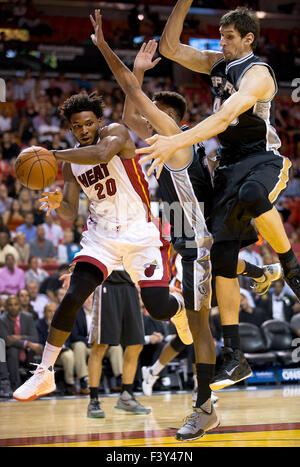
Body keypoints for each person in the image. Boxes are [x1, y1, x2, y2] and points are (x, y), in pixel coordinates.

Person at [88, 11, 281, 440]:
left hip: (199, 245)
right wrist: (132, 73)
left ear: (169, 118)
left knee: (197, 329)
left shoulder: (177, 144)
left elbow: (131, 93)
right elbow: (130, 108)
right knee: (193, 325)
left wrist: (110, 52)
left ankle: (205, 407)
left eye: (152, 115)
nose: (143, 122)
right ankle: (260, 272)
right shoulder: (166, 142)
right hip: (184, 241)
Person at [135, 1, 300, 391]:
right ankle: (236, 356)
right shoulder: (216, 64)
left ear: (248, 39)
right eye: (221, 37)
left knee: (253, 193)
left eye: (229, 38)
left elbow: (225, 118)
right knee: (222, 256)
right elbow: (171, 47)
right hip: (226, 163)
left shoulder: (257, 73)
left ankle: (291, 267)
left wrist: (176, 139)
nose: (222, 44)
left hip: (260, 158)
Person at [13, 91, 191, 402]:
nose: (83, 129)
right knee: (73, 296)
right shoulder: (70, 164)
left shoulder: (116, 134)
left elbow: (99, 155)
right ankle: (44, 372)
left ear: (99, 121)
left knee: (158, 308)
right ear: (70, 128)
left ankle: (179, 311)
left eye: (88, 123)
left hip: (139, 234)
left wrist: (53, 154)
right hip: (102, 237)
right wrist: (58, 204)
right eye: (77, 126)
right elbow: (70, 212)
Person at [87, 268, 150, 417]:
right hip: (107, 282)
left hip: (130, 285)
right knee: (100, 345)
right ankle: (93, 400)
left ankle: (126, 396)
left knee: (136, 344)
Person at [0, 295, 42, 391]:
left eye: (16, 304)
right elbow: (7, 341)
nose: (13, 307)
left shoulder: (28, 317)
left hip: (27, 351)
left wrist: (20, 337)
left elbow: (35, 338)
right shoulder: (2, 320)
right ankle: (16, 386)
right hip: (7, 351)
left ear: (19, 305)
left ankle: (37, 386)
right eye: (10, 305)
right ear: (6, 307)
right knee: (13, 350)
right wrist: (28, 343)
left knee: (38, 348)